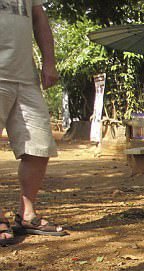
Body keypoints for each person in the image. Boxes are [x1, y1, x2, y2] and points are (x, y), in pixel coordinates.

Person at [0, 0, 66, 246]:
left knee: (39, 147)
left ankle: (27, 215)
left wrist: (49, 61)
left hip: (25, 78)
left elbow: (39, 18)